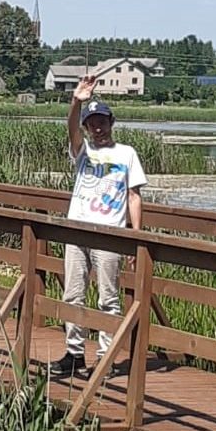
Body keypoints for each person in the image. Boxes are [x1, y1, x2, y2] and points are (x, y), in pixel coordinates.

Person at [49, 73, 147, 377]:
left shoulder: (127, 154)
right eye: (92, 124)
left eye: (102, 122)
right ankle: (74, 354)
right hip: (77, 230)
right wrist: (75, 101)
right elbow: (71, 129)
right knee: (72, 294)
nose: (98, 128)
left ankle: (106, 358)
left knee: (108, 298)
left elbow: (134, 196)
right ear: (87, 127)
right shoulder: (83, 151)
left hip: (110, 234)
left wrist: (135, 236)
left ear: (111, 122)